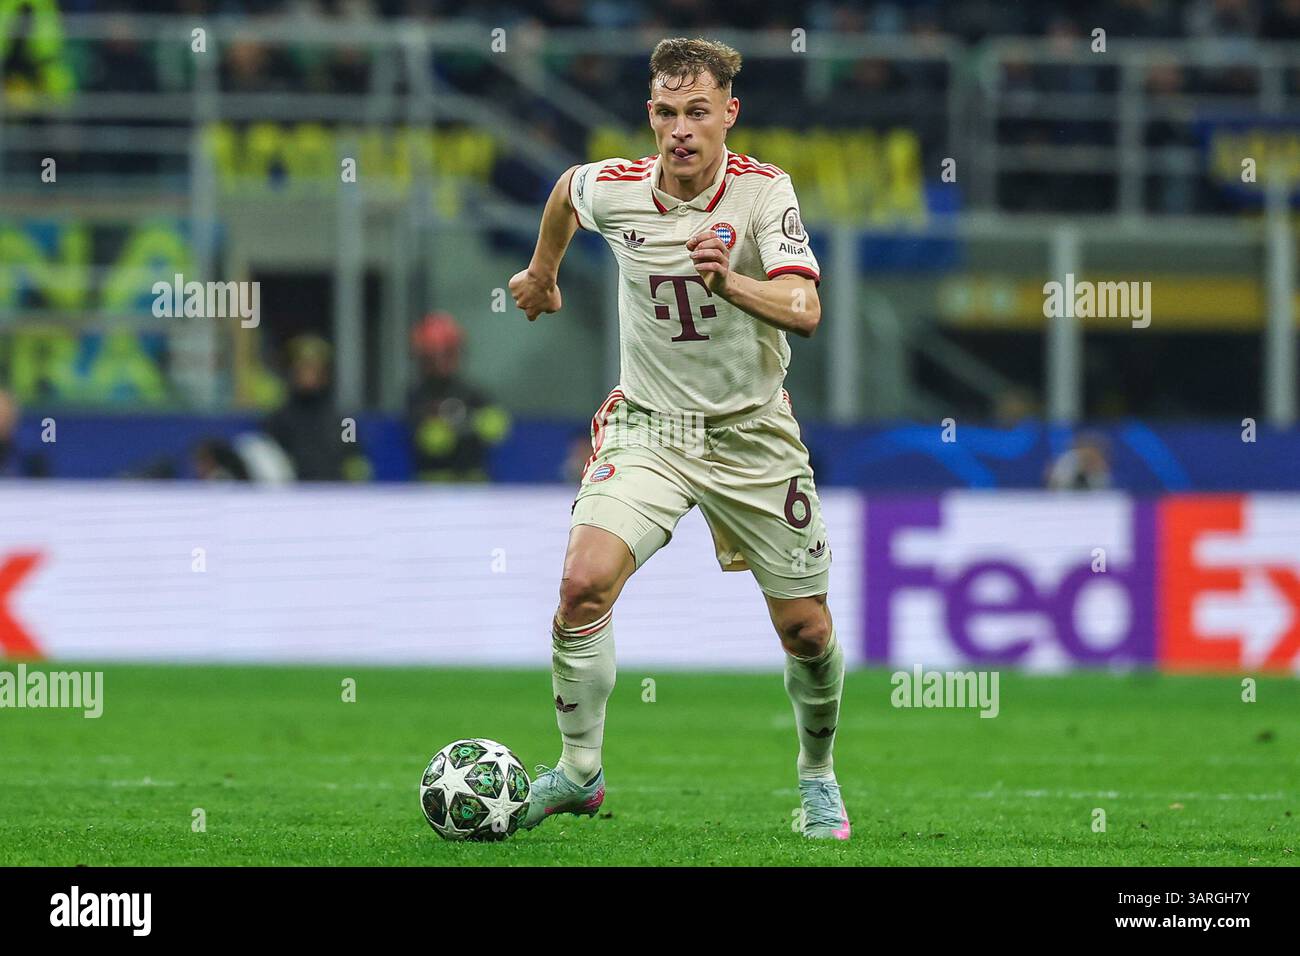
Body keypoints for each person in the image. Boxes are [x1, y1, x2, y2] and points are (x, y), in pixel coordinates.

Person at [508, 37, 846, 839]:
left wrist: (729, 281)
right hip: (651, 428)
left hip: (752, 434)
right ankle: (579, 771)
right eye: (667, 112)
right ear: (650, 115)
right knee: (582, 587)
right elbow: (564, 192)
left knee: (806, 629)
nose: (681, 130)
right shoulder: (617, 189)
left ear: (730, 113)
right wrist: (543, 274)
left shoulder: (764, 194)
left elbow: (806, 309)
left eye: (699, 112)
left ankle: (817, 776)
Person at [406, 311, 509, 482]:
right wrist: (462, 426)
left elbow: (497, 428)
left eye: (448, 353)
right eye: (434, 356)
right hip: (430, 485)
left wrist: (467, 422)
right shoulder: (417, 395)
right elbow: (432, 442)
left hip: (475, 480)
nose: (441, 362)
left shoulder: (471, 392)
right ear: (422, 358)